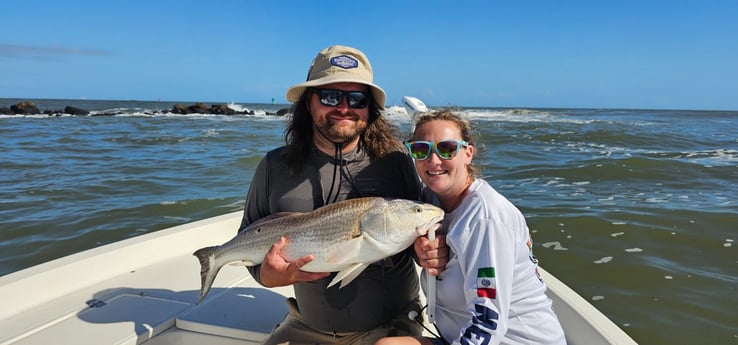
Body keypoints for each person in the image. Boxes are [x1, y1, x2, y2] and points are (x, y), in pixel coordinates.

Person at [238, 45, 449, 345]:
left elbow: (431, 221)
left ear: (369, 109)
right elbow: (247, 245)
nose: (344, 107)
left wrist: (434, 250)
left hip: (391, 327)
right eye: (330, 96)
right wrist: (270, 277)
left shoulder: (397, 161)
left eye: (357, 99)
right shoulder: (273, 167)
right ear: (309, 103)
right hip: (304, 325)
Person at [376, 109, 566, 345]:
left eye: (446, 149)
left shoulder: (486, 220)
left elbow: (489, 321)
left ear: (468, 153)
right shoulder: (430, 200)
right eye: (421, 150)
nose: (433, 160)